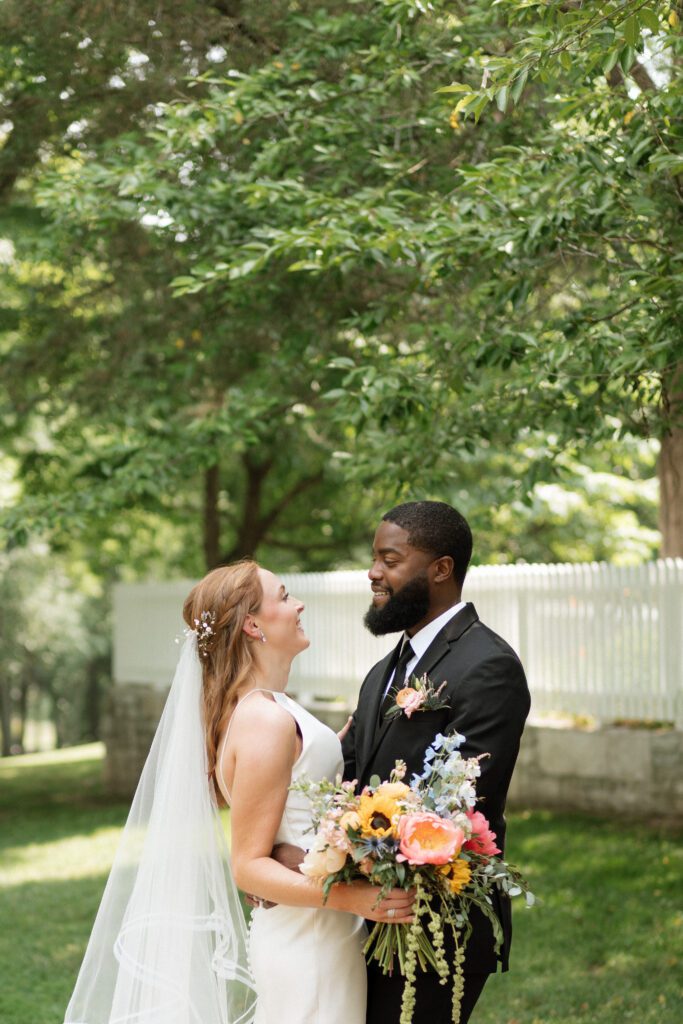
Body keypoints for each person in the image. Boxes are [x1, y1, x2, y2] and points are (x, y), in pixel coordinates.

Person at [64, 559, 413, 1024]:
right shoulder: (264, 720)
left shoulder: (269, 707)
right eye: (284, 597)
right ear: (252, 624)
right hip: (307, 939)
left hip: (317, 928)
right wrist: (352, 897)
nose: (298, 604)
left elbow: (291, 797)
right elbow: (248, 866)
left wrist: (332, 748)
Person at [342, 500, 531, 1024]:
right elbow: (350, 775)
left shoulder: (488, 665)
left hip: (439, 922)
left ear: (441, 569)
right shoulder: (383, 670)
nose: (373, 573)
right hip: (366, 913)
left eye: (389, 560)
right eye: (374, 559)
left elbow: (463, 800)